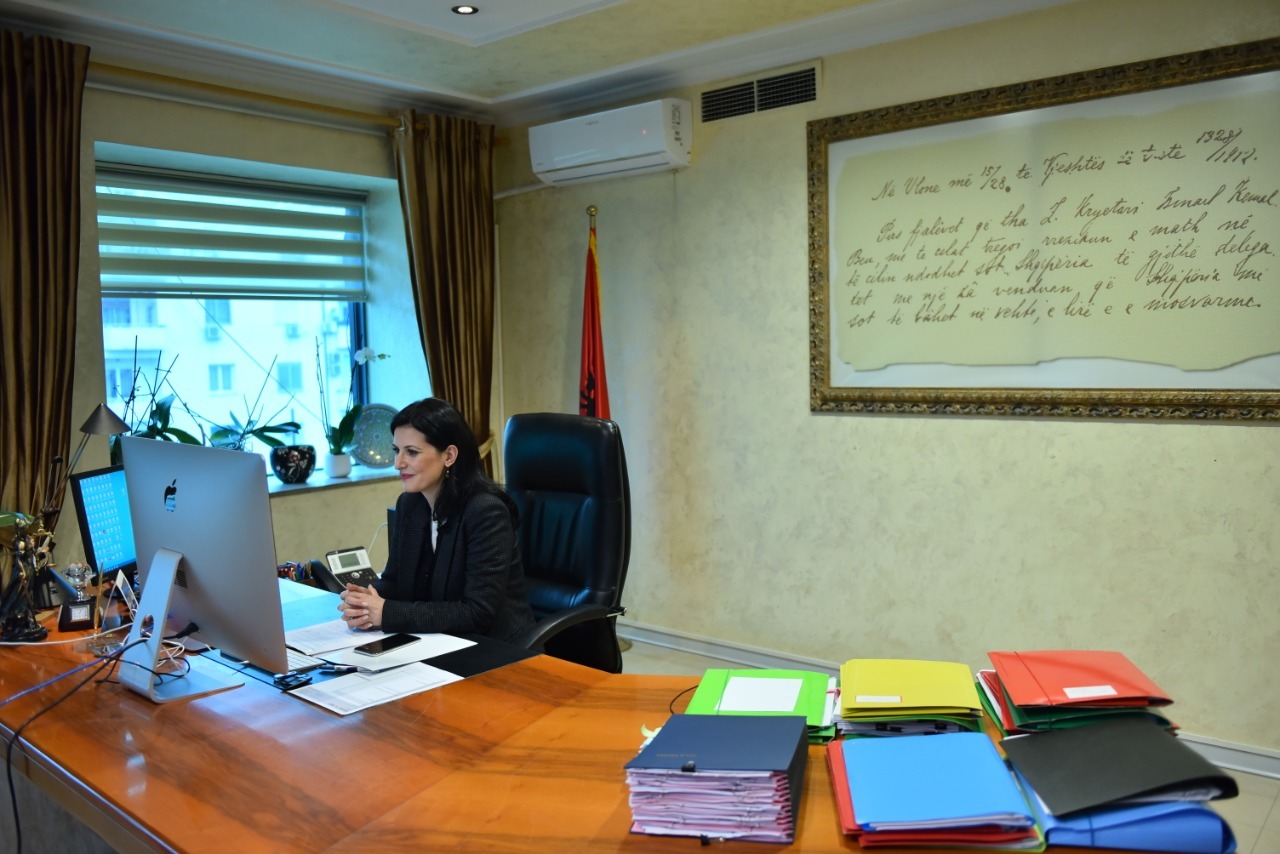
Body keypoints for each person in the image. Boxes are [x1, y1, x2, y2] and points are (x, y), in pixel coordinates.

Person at [337, 398, 535, 643]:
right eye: (397, 450)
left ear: (449, 455)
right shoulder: (409, 504)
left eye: (412, 452)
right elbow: (396, 581)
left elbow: (478, 612)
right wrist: (365, 600)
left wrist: (386, 612)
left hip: (496, 647)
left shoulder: (486, 511)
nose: (398, 463)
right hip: (439, 641)